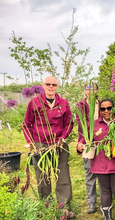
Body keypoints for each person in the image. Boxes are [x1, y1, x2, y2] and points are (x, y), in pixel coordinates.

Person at [22, 76, 74, 218]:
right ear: (43, 85)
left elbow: (69, 123)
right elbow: (26, 124)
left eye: (54, 85)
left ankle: (63, 206)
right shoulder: (34, 102)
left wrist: (63, 138)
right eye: (48, 84)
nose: (51, 87)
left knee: (62, 174)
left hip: (58, 144)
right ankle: (46, 204)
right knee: (43, 176)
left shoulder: (63, 103)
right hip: (40, 145)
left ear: (57, 86)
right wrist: (32, 144)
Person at [76, 82, 100, 214]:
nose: (91, 91)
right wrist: (81, 141)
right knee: (89, 172)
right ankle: (91, 202)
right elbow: (82, 125)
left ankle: (105, 200)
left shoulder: (101, 105)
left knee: (103, 172)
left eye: (93, 89)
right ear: (85, 91)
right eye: (88, 89)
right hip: (87, 140)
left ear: (96, 91)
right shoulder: (80, 105)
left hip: (102, 141)